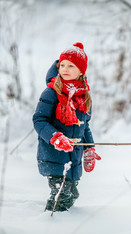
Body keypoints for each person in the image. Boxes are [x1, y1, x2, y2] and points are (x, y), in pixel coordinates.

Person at [32, 42, 101, 212]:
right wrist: (55, 137)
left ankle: (59, 221)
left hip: (73, 158)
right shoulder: (52, 92)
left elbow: (84, 126)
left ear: (81, 71)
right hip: (54, 155)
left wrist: (89, 148)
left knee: (72, 194)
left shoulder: (84, 97)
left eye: (71, 65)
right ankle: (50, 224)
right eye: (62, 64)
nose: (65, 68)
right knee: (61, 196)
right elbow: (39, 120)